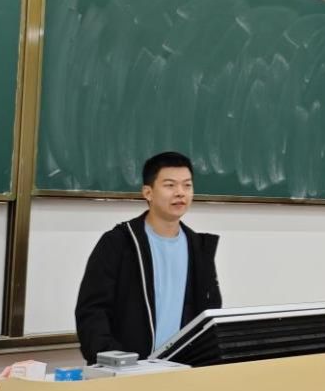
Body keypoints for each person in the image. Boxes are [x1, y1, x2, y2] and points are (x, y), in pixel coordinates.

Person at [75, 151, 221, 364]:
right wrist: (112, 360)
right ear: (148, 192)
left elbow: (209, 314)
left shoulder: (199, 248)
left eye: (187, 185)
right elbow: (92, 311)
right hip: (127, 371)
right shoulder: (120, 242)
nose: (180, 193)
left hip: (182, 368)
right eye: (170, 185)